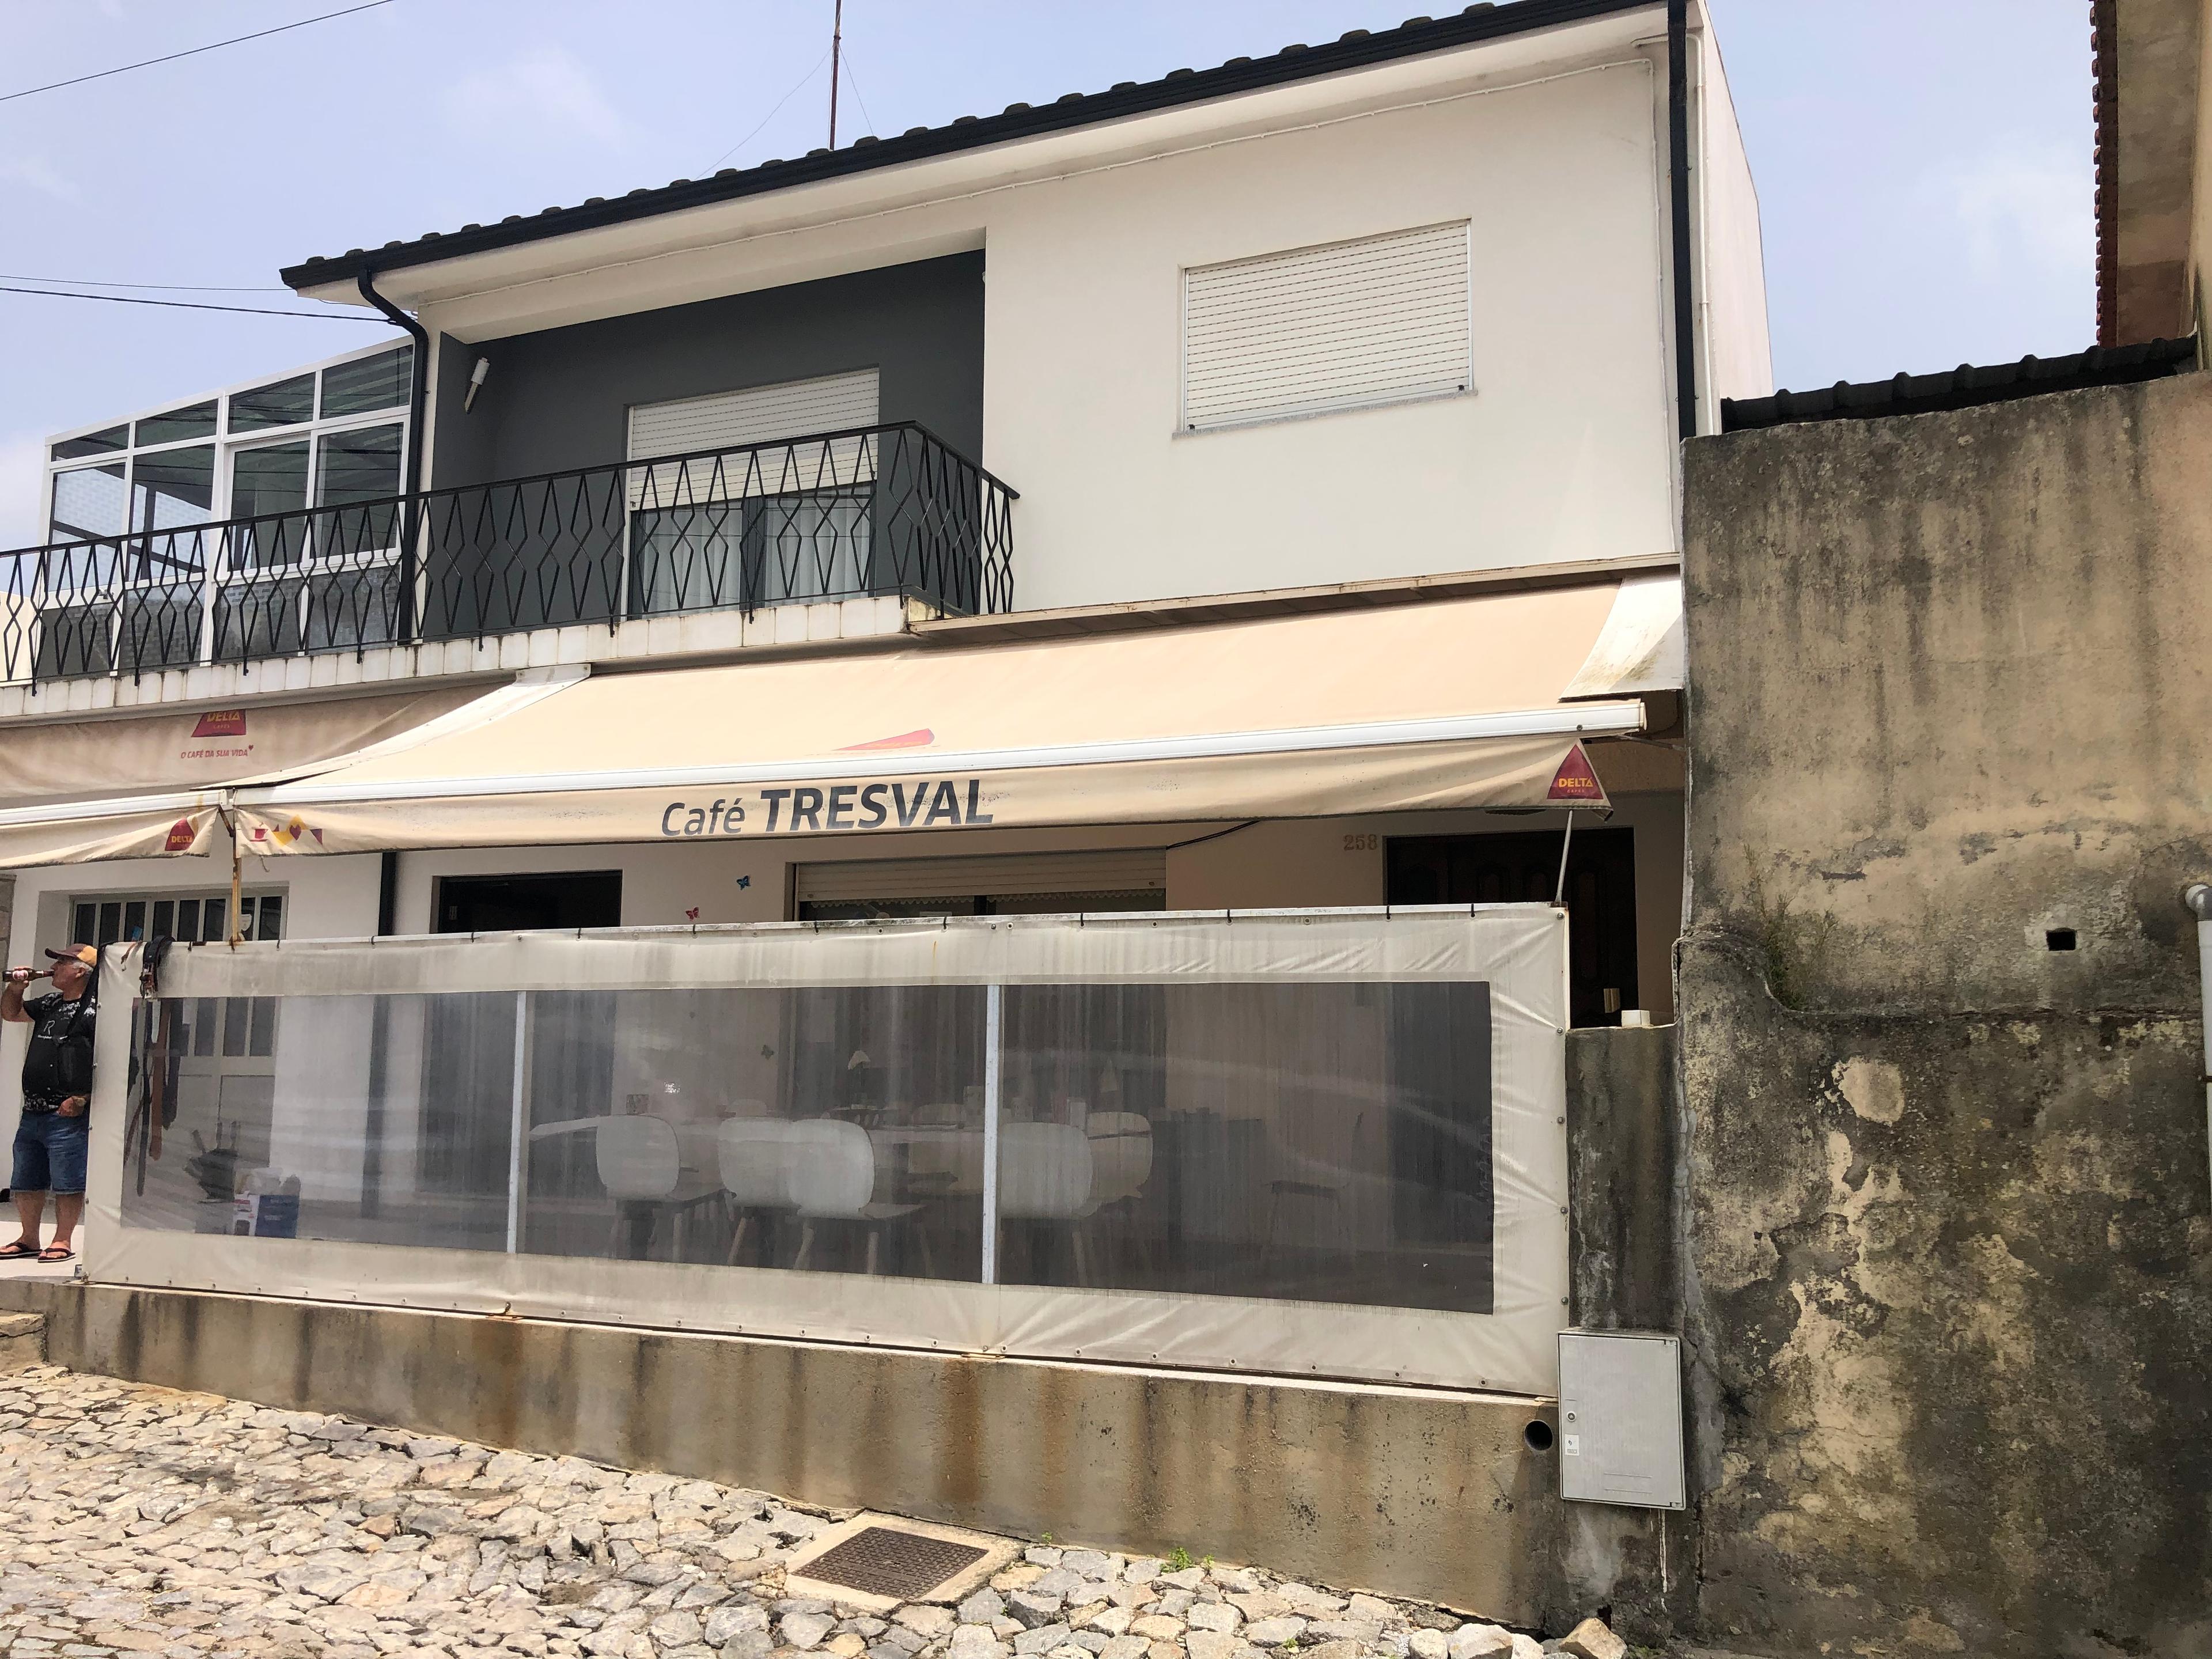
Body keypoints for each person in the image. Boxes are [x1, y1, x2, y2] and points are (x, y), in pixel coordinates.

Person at [0, 945, 98, 1263]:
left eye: (63, 961)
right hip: (33, 1109)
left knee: (68, 1179)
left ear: (81, 971)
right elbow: (11, 1013)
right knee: (26, 1177)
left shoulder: (95, 1010)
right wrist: (15, 987)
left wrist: (82, 1098)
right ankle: (28, 1238)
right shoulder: (50, 1003)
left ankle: (63, 1240)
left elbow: (109, 1059)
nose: (54, 966)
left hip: (66, 1111)